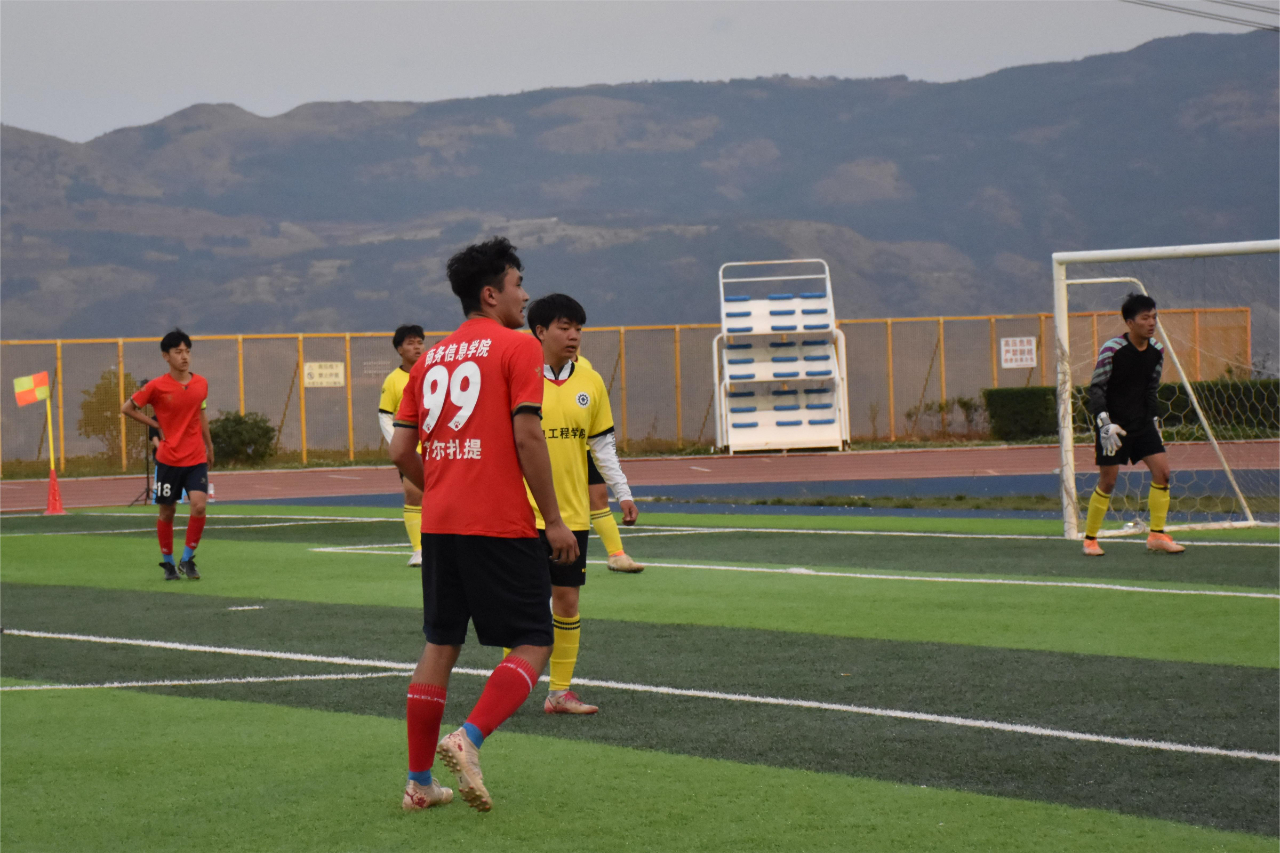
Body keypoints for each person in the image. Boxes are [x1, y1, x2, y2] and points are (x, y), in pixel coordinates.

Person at [390, 237, 579, 813]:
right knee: (536, 639)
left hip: (440, 524)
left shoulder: (429, 360)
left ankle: (419, 784)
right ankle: (467, 738)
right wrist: (554, 520)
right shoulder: (518, 347)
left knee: (440, 643)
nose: (525, 295)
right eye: (518, 284)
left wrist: (441, 487)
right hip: (496, 522)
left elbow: (400, 450)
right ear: (491, 293)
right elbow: (528, 436)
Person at [520, 294, 641, 716]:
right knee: (521, 606)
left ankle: (559, 693)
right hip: (520, 514)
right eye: (564, 327)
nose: (574, 335)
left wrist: (623, 491)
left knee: (567, 601)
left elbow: (602, 446)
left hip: (570, 515)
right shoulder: (518, 377)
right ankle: (510, 689)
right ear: (540, 331)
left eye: (578, 328)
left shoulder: (591, 381)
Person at [1082, 293, 1185, 556]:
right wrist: (1104, 424)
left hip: (1142, 423)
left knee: (1163, 473)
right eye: (1145, 318)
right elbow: (1097, 388)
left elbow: (1151, 389)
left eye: (1154, 317)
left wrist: (1154, 420)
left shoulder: (1157, 350)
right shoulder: (1112, 349)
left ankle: (1157, 535)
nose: (1151, 323)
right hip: (1113, 426)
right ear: (1130, 323)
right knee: (1108, 482)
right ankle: (1090, 540)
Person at [122, 329, 214, 580]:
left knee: (199, 506)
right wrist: (154, 424)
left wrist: (209, 445)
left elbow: (201, 414)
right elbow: (127, 408)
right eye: (178, 352)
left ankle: (187, 560)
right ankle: (169, 563)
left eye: (187, 351)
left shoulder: (201, 383)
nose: (184, 357)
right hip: (169, 460)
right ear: (166, 356)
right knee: (167, 512)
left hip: (195, 457)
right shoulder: (156, 386)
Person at [575, 355, 645, 573]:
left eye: (577, 334)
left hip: (586, 448)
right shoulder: (535, 365)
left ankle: (616, 554)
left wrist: (623, 494)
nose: (573, 338)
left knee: (599, 498)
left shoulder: (586, 366)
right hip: (554, 450)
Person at [379, 324, 427, 567]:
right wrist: (399, 444)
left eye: (419, 342)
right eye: (410, 343)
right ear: (399, 349)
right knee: (414, 493)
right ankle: (419, 550)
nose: (417, 347)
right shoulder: (393, 380)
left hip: (437, 447)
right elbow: (385, 415)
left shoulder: (433, 373)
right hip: (411, 449)